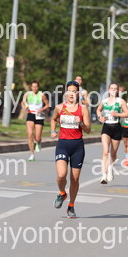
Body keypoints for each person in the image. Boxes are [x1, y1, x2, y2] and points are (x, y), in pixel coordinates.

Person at [51, 80, 91, 218]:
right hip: (63, 144)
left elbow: (88, 130)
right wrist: (53, 130)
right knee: (61, 175)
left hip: (77, 146)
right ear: (66, 93)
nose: (72, 94)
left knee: (75, 179)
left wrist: (81, 123)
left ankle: (71, 206)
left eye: (74, 91)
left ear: (78, 93)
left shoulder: (83, 109)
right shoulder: (59, 107)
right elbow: (53, 119)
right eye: (69, 91)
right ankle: (62, 193)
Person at [96, 83, 128, 184]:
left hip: (117, 128)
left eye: (115, 89)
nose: (113, 90)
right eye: (112, 88)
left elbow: (127, 114)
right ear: (108, 90)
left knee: (113, 153)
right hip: (106, 127)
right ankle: (103, 175)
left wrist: (117, 114)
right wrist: (100, 117)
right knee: (105, 152)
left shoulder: (120, 101)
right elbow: (98, 110)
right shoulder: (104, 101)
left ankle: (110, 168)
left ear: (118, 90)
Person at [22, 81, 49, 161]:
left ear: (38, 87)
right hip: (31, 114)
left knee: (37, 137)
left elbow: (47, 104)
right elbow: (22, 102)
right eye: (33, 87)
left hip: (39, 115)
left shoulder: (42, 95)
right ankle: (32, 154)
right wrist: (24, 107)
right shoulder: (28, 94)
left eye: (36, 87)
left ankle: (38, 142)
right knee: (30, 134)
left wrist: (42, 109)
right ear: (31, 87)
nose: (34, 88)